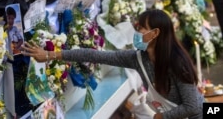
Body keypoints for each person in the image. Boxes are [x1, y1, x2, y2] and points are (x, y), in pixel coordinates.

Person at [21, 9, 204, 119]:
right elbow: (94, 56)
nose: (136, 31)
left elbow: (194, 107)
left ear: (155, 33)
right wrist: (50, 54)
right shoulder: (138, 58)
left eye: (141, 28)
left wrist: (160, 116)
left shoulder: (176, 62)